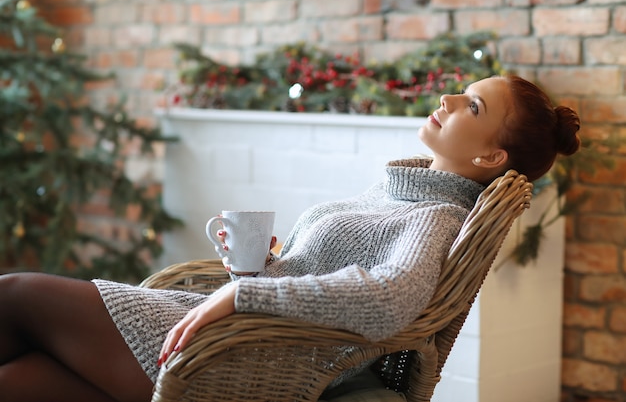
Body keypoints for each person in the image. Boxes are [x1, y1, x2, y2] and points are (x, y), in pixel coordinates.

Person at [0, 75, 580, 402]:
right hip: (232, 332)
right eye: (461, 92)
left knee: (15, 294)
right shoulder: (397, 194)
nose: (449, 100)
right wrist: (262, 266)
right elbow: (326, 278)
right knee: (19, 383)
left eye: (471, 106)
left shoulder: (435, 218)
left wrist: (243, 295)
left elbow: (387, 299)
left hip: (241, 355)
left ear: (490, 154)